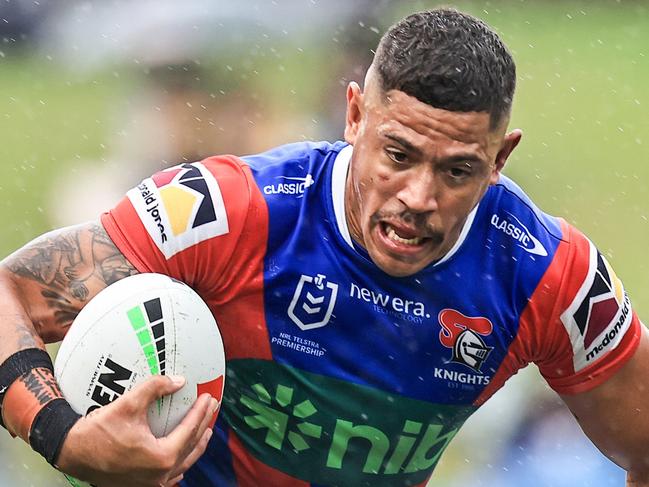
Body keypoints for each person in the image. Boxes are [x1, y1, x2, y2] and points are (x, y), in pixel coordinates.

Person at [0, 8, 647, 487]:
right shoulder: (234, 211)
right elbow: (9, 293)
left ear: (499, 158)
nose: (418, 196)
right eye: (397, 154)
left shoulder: (544, 273)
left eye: (456, 171)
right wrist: (65, 434)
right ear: (354, 116)